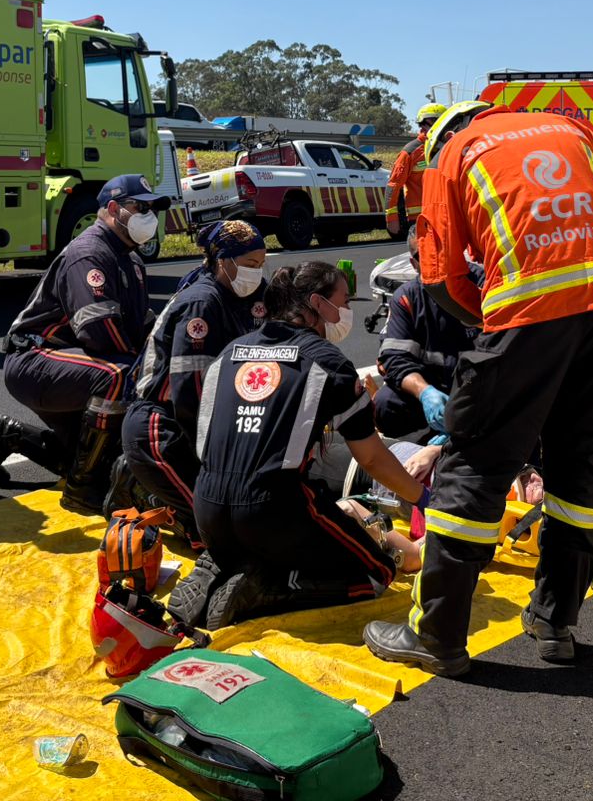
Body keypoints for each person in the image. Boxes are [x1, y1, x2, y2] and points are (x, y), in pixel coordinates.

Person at [363, 100, 593, 677]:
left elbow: (440, 275)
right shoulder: (575, 129)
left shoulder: (456, 155)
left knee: (473, 465)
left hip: (528, 313)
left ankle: (435, 634)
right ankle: (555, 620)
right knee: (583, 466)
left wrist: (492, 322)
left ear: (443, 137)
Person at [166, 261, 427, 631]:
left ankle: (226, 563)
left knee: (305, 518)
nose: (349, 311)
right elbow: (371, 457)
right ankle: (267, 586)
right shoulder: (329, 364)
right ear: (318, 304)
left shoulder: (231, 351)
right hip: (272, 510)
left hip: (206, 506)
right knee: (375, 573)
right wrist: (422, 497)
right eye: (343, 300)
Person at [0, 174, 166, 512]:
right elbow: (99, 332)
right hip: (35, 358)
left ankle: (5, 433)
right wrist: (145, 374)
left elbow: (142, 328)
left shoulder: (132, 260)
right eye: (140, 206)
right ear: (113, 208)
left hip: (79, 363)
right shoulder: (89, 254)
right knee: (121, 378)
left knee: (87, 456)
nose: (149, 215)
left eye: (152, 208)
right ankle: (81, 490)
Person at [109, 220, 268, 537]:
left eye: (262, 264)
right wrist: (222, 452)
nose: (257, 272)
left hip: (207, 418)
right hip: (162, 424)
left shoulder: (251, 293)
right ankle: (141, 493)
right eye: (250, 264)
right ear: (223, 260)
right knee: (217, 529)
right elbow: (189, 393)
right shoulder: (202, 303)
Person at [373, 224, 476, 438]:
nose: (435, 259)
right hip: (437, 389)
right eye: (424, 255)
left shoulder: (483, 285)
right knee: (386, 405)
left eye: (440, 251)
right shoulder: (407, 298)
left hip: (482, 389)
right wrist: (424, 392)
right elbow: (393, 357)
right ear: (414, 263)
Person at [385, 103, 446, 238]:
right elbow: (393, 185)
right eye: (436, 121)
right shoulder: (411, 152)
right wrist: (391, 218)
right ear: (423, 124)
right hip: (420, 217)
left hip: (445, 215)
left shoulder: (449, 147)